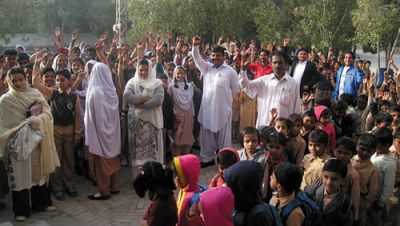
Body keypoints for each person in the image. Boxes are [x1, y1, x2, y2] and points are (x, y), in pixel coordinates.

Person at [0, 67, 59, 221]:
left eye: (21, 79)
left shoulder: (35, 93)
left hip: (37, 140)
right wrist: (20, 128)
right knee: (20, 177)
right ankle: (21, 210)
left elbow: (47, 113)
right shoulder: (5, 101)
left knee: (38, 174)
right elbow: (2, 126)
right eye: (15, 81)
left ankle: (42, 203)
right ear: (10, 82)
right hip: (18, 144)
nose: (19, 83)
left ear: (26, 79)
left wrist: (39, 119)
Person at [32, 52, 82, 201]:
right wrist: (37, 64)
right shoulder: (52, 93)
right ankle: (57, 188)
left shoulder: (74, 96)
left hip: (69, 130)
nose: (59, 82)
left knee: (69, 159)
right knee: (57, 159)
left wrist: (78, 133)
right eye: (57, 80)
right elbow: (35, 82)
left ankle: (69, 185)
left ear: (69, 82)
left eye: (62, 80)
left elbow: (78, 116)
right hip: (55, 130)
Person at [192, 36, 240, 167]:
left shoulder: (230, 72)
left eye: (218, 56)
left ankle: (224, 160)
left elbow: (236, 91)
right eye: (213, 56)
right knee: (206, 135)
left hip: (223, 109)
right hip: (207, 108)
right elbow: (197, 59)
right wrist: (195, 46)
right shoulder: (207, 68)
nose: (215, 58)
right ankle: (206, 159)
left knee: (223, 137)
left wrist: (231, 106)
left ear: (224, 56)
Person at [84, 63, 121, 200]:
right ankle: (114, 186)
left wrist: (93, 135)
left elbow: (93, 116)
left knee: (102, 162)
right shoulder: (112, 91)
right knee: (113, 159)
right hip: (113, 134)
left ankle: (104, 191)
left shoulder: (95, 92)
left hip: (100, 133)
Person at [124, 59, 164, 177]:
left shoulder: (157, 83)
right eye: (141, 70)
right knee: (138, 156)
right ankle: (140, 180)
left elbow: (158, 99)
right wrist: (144, 98)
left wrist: (143, 105)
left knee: (153, 155)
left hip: (152, 125)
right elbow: (127, 96)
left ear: (151, 70)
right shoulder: (132, 82)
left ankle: (153, 179)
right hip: (137, 126)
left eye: (146, 70)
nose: (143, 73)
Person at [239, 51, 301, 128]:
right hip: (264, 126)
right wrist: (243, 69)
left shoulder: (293, 84)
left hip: (283, 129)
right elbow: (245, 85)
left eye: (280, 62)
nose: (277, 65)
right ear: (270, 64)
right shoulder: (264, 81)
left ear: (285, 64)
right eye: (274, 62)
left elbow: (296, 109)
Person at [224, 160, 283, 226]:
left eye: (230, 185)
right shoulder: (244, 205)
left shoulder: (259, 216)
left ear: (241, 188)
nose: (225, 187)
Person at [305, 159, 354, 226]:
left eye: (334, 179)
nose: (328, 182)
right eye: (326, 177)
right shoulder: (312, 192)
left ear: (343, 181)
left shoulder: (346, 203)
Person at [133, 161, 178, 226]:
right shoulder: (164, 196)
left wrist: (144, 223)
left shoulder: (161, 203)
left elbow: (148, 220)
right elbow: (148, 213)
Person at [351, 133, 380, 226]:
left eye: (369, 151)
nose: (365, 153)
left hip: (361, 199)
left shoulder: (373, 169)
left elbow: (373, 189)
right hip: (346, 195)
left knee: (359, 221)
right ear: (356, 147)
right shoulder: (350, 161)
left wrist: (366, 203)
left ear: (374, 152)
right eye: (362, 149)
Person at [370, 128, 397, 225]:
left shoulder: (389, 164)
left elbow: (388, 186)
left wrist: (381, 202)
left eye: (377, 144)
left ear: (385, 145)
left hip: (378, 200)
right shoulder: (375, 154)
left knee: (377, 220)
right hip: (371, 196)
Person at [168, 66, 195, 156]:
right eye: (178, 73)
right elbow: (169, 102)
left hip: (188, 114)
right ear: (174, 75)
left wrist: (192, 115)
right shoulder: (171, 87)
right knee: (177, 137)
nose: (180, 75)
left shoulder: (190, 86)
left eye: (182, 73)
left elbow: (191, 102)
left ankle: (186, 158)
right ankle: (177, 159)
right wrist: (174, 114)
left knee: (187, 136)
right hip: (177, 114)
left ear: (185, 74)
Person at [334, 137, 360, 222]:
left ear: (352, 155)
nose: (342, 156)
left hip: (342, 208)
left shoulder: (353, 175)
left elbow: (354, 196)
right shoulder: (329, 164)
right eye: (339, 152)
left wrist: (355, 214)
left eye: (346, 153)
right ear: (334, 150)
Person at [172, 154, 203, 226]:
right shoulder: (186, 189)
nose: (175, 178)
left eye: (178, 175)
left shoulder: (192, 198)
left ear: (187, 176)